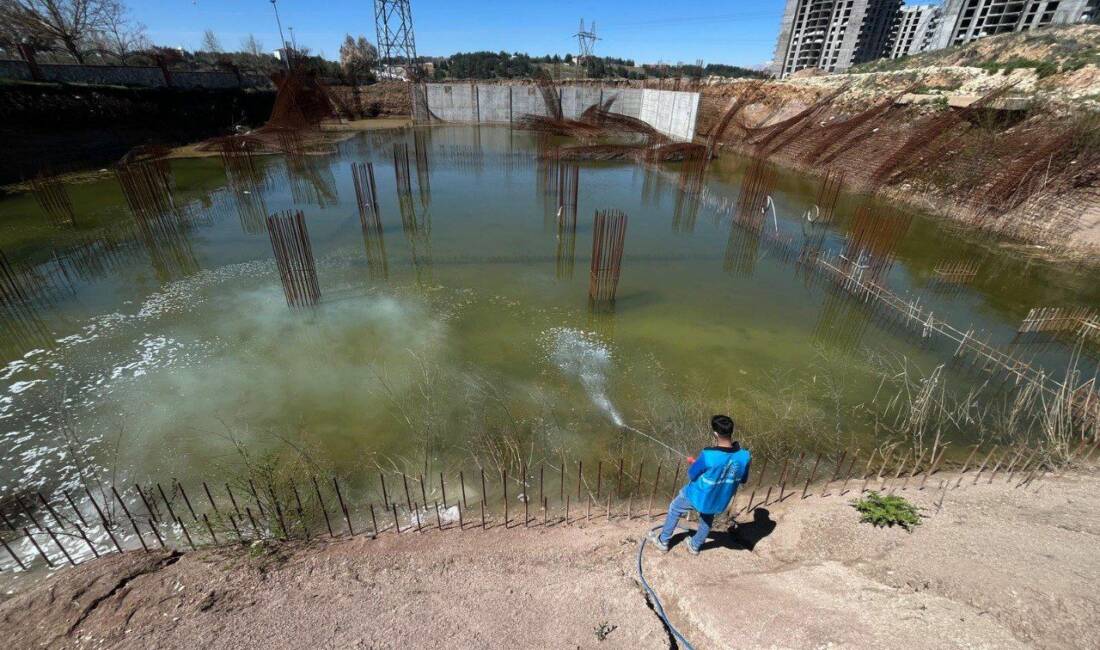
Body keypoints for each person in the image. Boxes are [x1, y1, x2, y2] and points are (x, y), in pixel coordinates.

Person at [647, 415, 751, 555]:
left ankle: (663, 541)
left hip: (698, 495)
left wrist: (697, 464)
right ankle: (695, 546)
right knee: (707, 518)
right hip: (719, 500)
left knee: (675, 508)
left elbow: (692, 474)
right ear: (731, 431)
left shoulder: (708, 455)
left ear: (715, 433)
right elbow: (742, 479)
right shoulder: (745, 456)